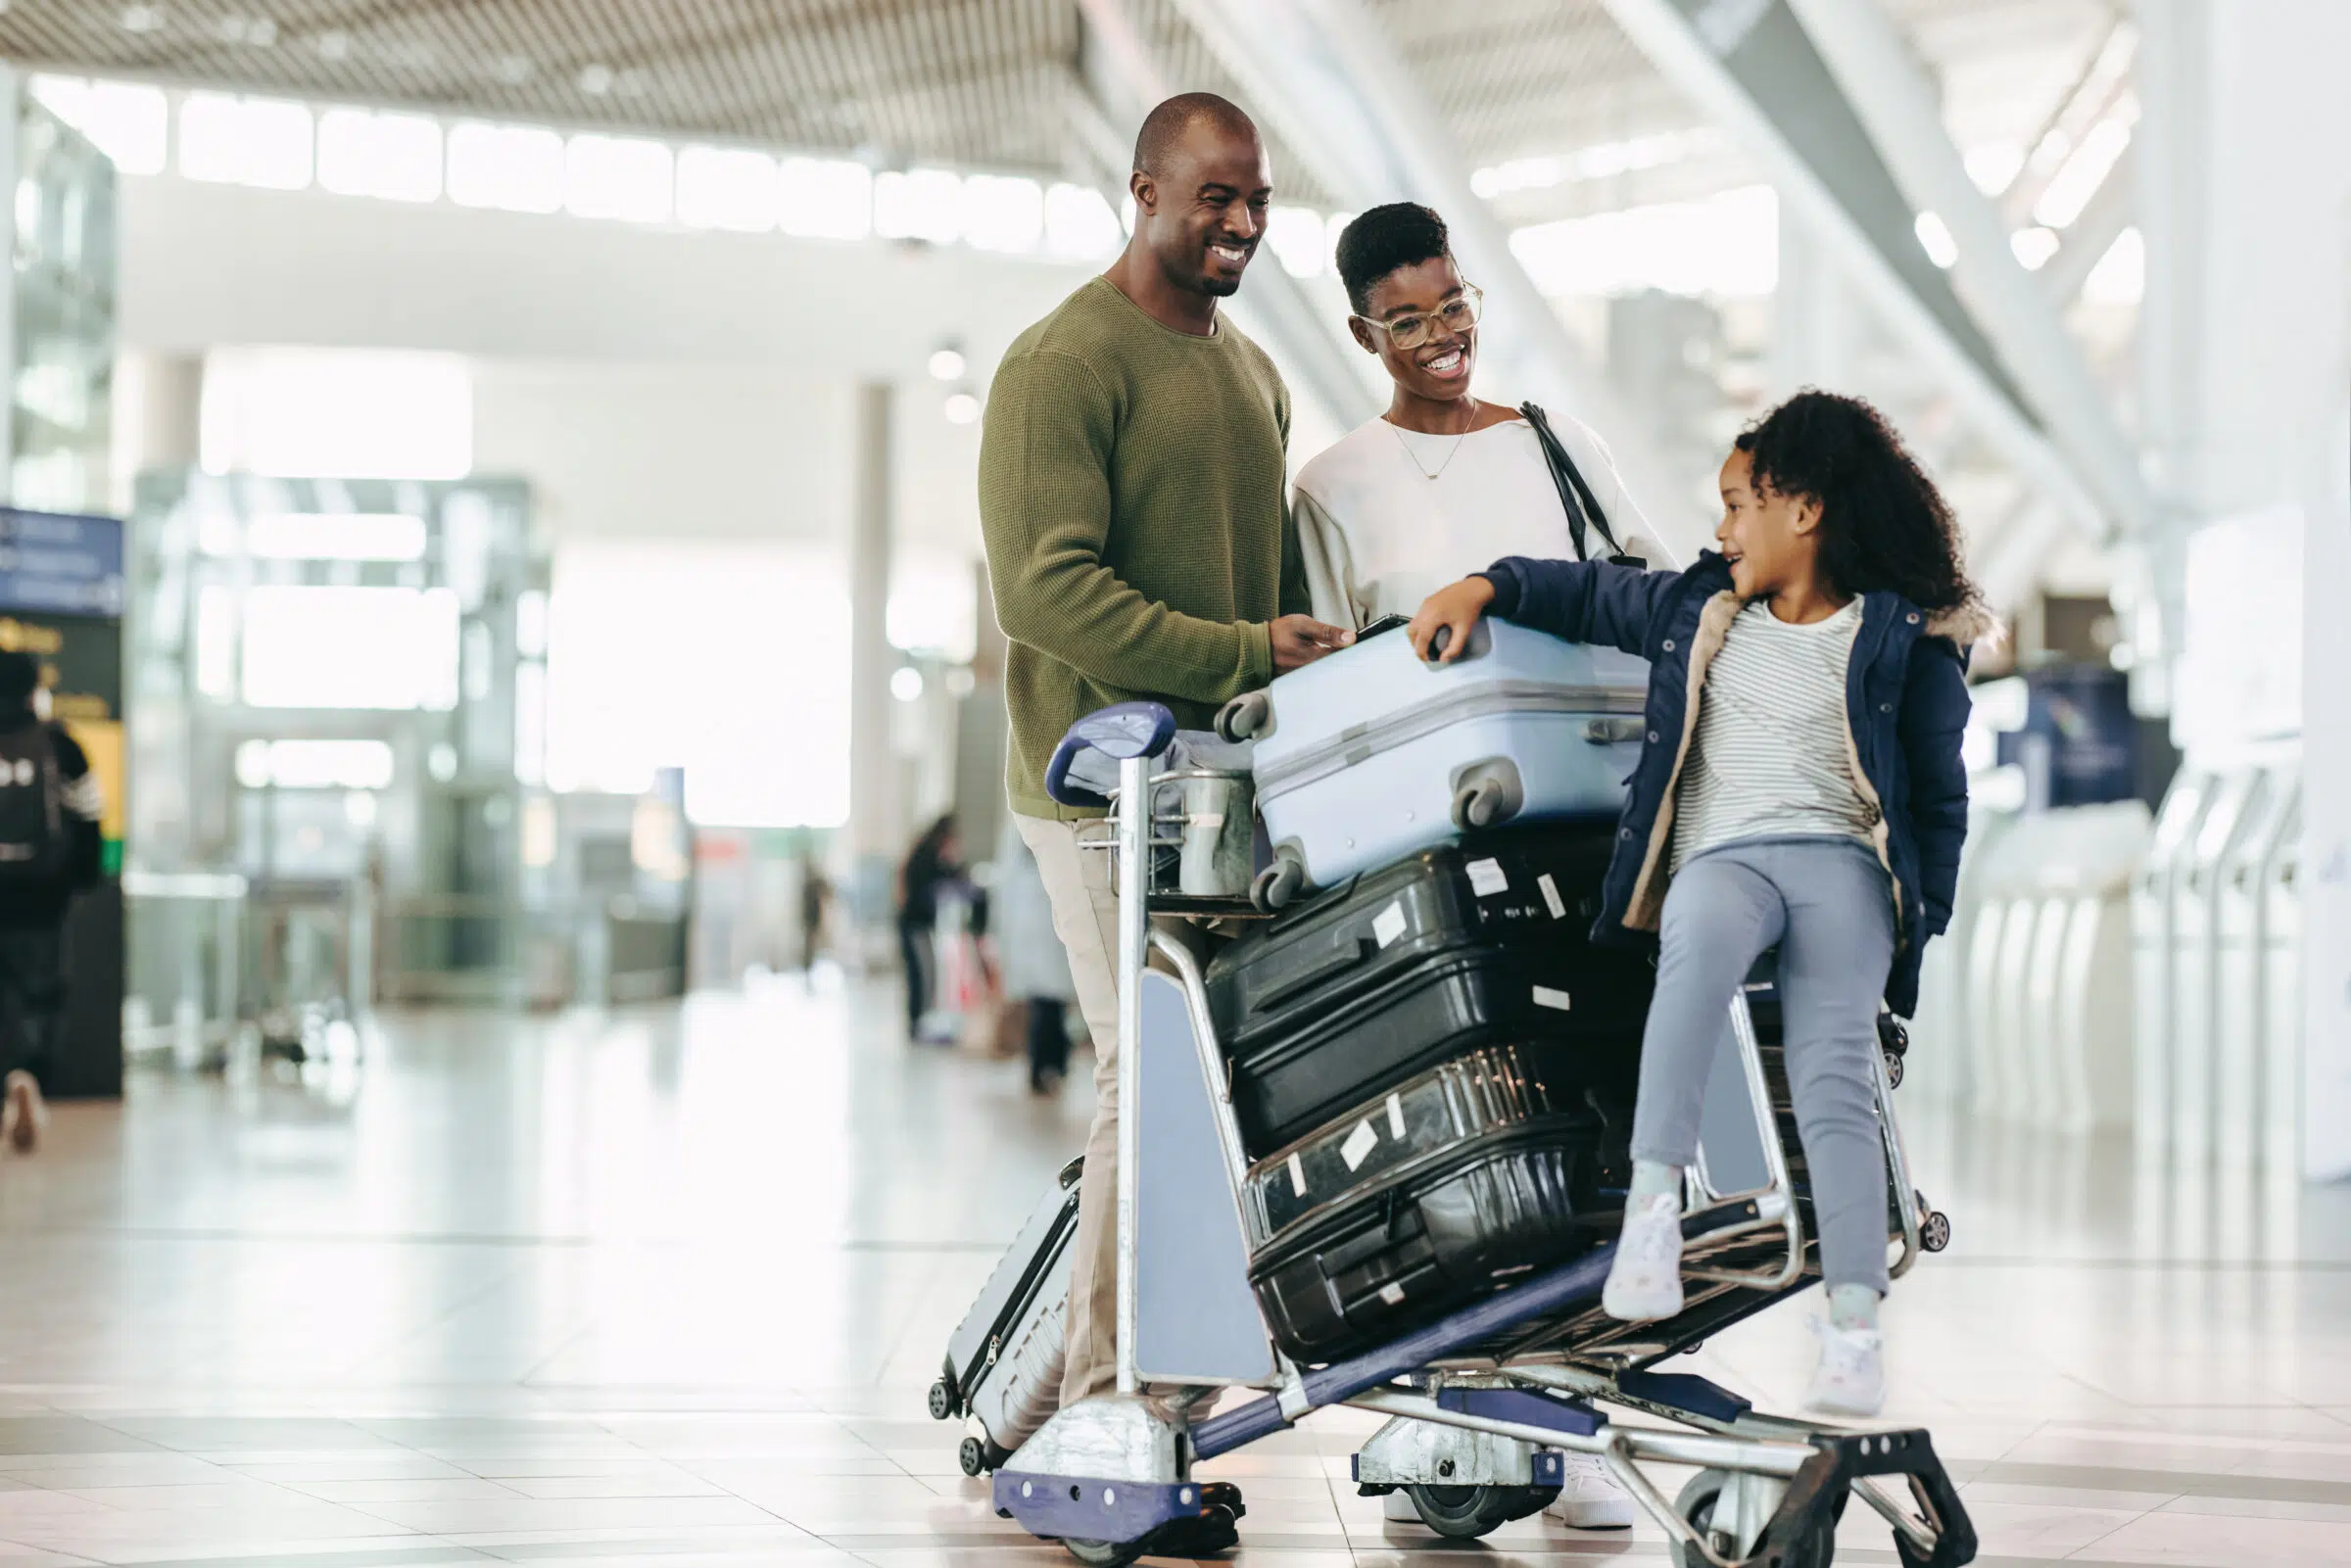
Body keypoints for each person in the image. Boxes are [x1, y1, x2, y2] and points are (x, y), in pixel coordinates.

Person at [1408, 391, 1987, 1417]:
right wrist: (1482, 584)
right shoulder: (1699, 608)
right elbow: (1587, 594)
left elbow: (1939, 800)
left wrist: (1918, 916)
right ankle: (1649, 1215)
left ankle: (1853, 1327)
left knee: (1837, 1078)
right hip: (1723, 856)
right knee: (1695, 960)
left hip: (1844, 867)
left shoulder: (1904, 639)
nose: (1719, 529)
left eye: (1735, 504)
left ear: (1802, 510)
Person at [980, 92, 1351, 1407]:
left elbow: (1282, 580)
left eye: (1258, 199)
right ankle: (1109, 1417)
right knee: (1155, 1083)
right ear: (1143, 191)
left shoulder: (1253, 372)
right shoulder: (1062, 364)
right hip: (1094, 790)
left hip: (1220, 792)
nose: (1243, 222)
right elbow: (1044, 595)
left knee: (1208, 1093)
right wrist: (1250, 651)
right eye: (1215, 198)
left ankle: (1073, 1401)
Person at [1295, 202, 1668, 631]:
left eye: (1454, 307)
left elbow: (1661, 601)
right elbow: (1334, 669)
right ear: (1364, 335)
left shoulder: (1561, 444)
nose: (1444, 336)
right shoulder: (1329, 489)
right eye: (1409, 324)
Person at [0, 650, 104, 1153]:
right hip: (42, 895)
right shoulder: (59, 744)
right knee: (42, 995)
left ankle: (6, 1078)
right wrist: (82, 879)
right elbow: (88, 813)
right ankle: (28, 1076)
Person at [895, 815, 962, 1040]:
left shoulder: (925, 851)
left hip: (916, 924)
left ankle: (920, 1021)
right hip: (913, 924)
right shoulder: (926, 854)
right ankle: (918, 1023)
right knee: (921, 975)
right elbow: (934, 882)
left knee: (923, 974)